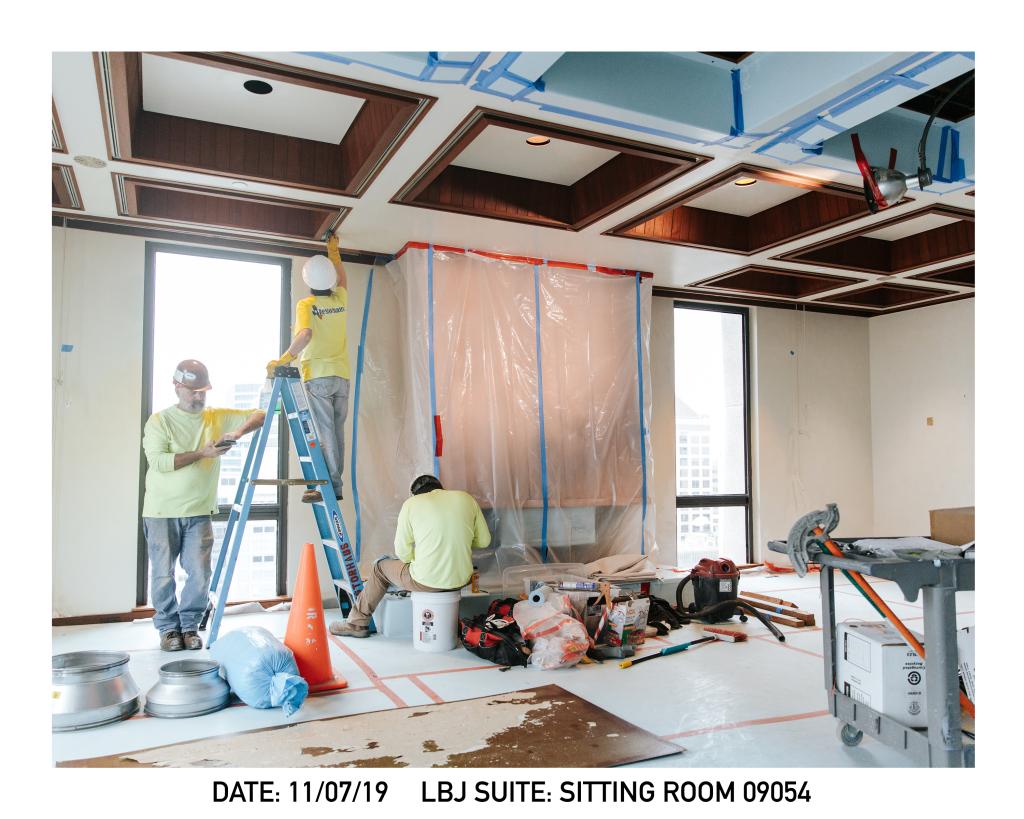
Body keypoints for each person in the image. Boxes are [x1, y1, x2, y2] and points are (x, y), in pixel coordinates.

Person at [141, 360, 265, 651]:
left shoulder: (214, 417)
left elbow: (261, 414)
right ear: (177, 387)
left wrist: (237, 433)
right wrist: (202, 453)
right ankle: (169, 629)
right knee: (162, 573)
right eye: (193, 391)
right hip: (161, 512)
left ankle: (189, 626)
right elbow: (159, 462)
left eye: (203, 392)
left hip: (199, 511)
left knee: (199, 572)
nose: (199, 397)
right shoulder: (159, 421)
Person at [329, 475, 492, 638]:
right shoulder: (466, 498)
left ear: (415, 494)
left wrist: (417, 559)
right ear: (440, 488)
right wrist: (457, 542)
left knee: (380, 568)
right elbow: (484, 541)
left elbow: (402, 552)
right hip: (461, 580)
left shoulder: (411, 504)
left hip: (425, 581)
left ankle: (356, 623)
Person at [266, 233, 349, 503]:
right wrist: (334, 253)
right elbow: (343, 279)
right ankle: (335, 485)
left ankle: (328, 486)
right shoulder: (339, 301)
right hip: (341, 377)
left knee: (325, 433)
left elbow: (305, 335)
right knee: (336, 432)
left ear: (308, 282)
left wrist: (283, 358)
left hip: (319, 376)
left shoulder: (308, 304)